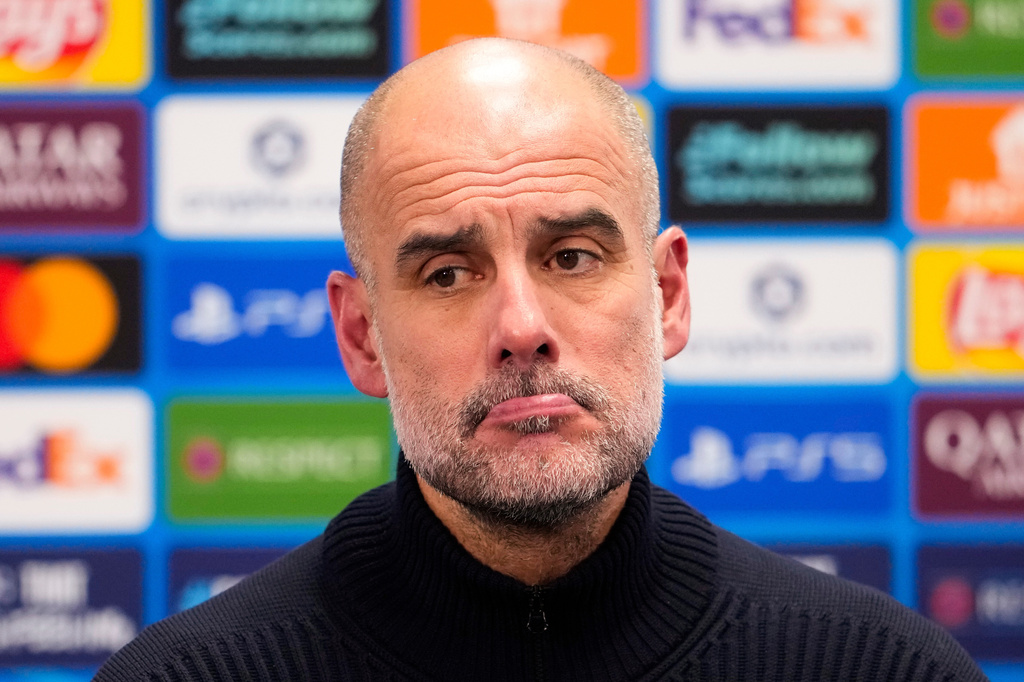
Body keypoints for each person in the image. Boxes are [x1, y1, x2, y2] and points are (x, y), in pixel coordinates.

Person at [95, 38, 987, 682]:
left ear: (668, 294)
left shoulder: (879, 667)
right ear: (361, 336)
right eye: (447, 272)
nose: (521, 326)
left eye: (572, 257)